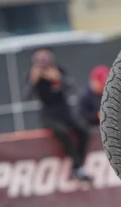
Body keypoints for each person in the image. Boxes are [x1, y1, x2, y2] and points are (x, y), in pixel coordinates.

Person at [25, 48, 91, 182]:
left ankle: (77, 166)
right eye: (40, 61)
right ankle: (77, 167)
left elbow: (73, 87)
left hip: (64, 110)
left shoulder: (59, 70)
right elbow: (26, 96)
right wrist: (33, 80)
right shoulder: (33, 75)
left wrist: (58, 79)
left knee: (84, 131)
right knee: (63, 133)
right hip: (48, 113)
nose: (44, 65)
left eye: (46, 61)